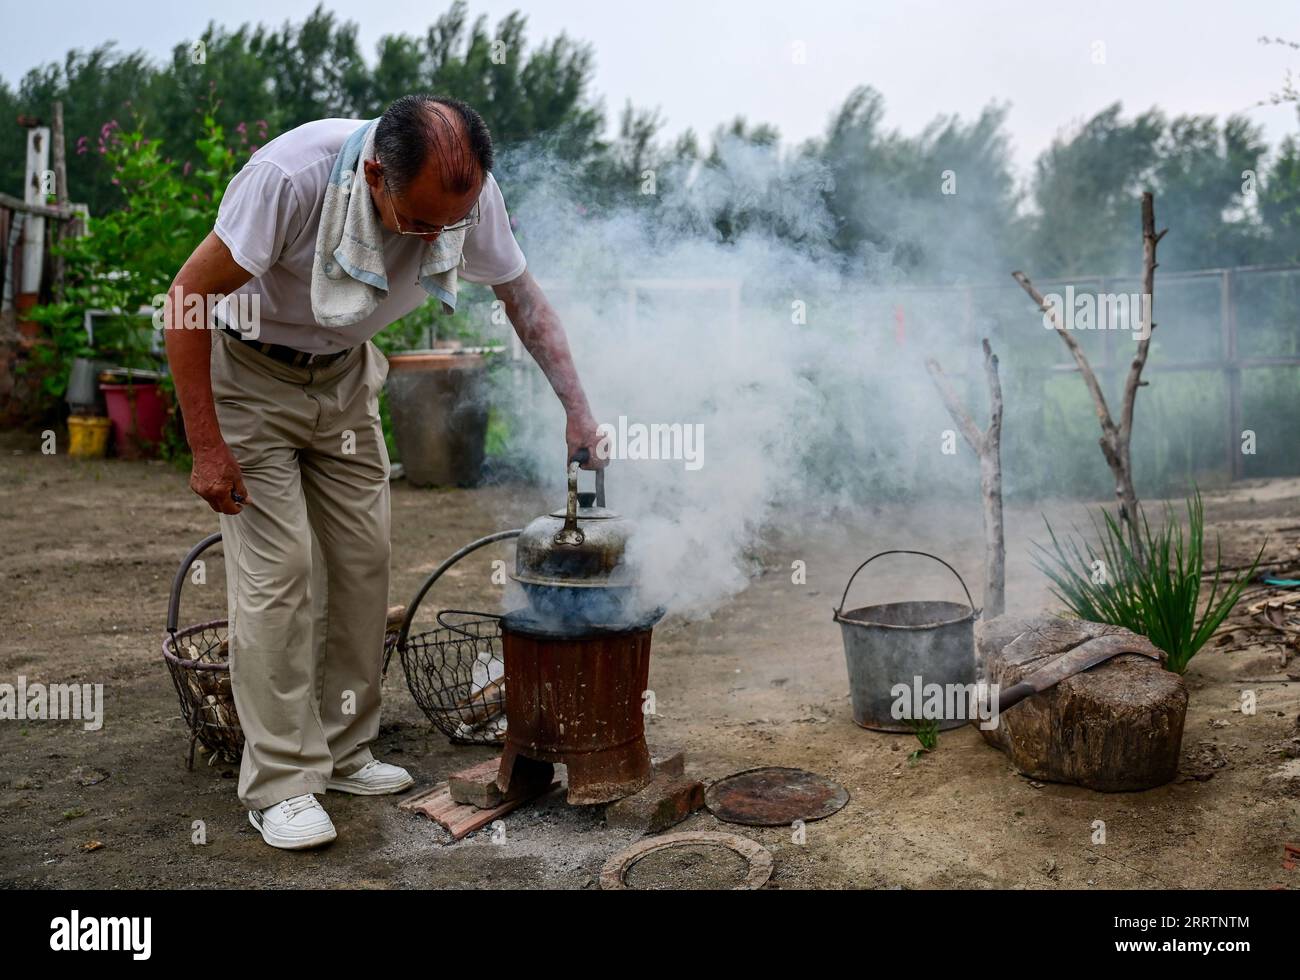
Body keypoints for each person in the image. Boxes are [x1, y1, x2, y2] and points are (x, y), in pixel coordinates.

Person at [163, 95, 603, 850]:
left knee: (365, 563)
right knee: (281, 571)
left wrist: (579, 412)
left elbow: (523, 302)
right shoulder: (290, 178)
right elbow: (187, 298)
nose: (437, 239)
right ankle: (281, 784)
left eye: (449, 226)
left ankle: (341, 751)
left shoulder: (469, 199)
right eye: (421, 222)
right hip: (251, 376)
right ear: (373, 174)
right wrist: (207, 446)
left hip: (344, 378)